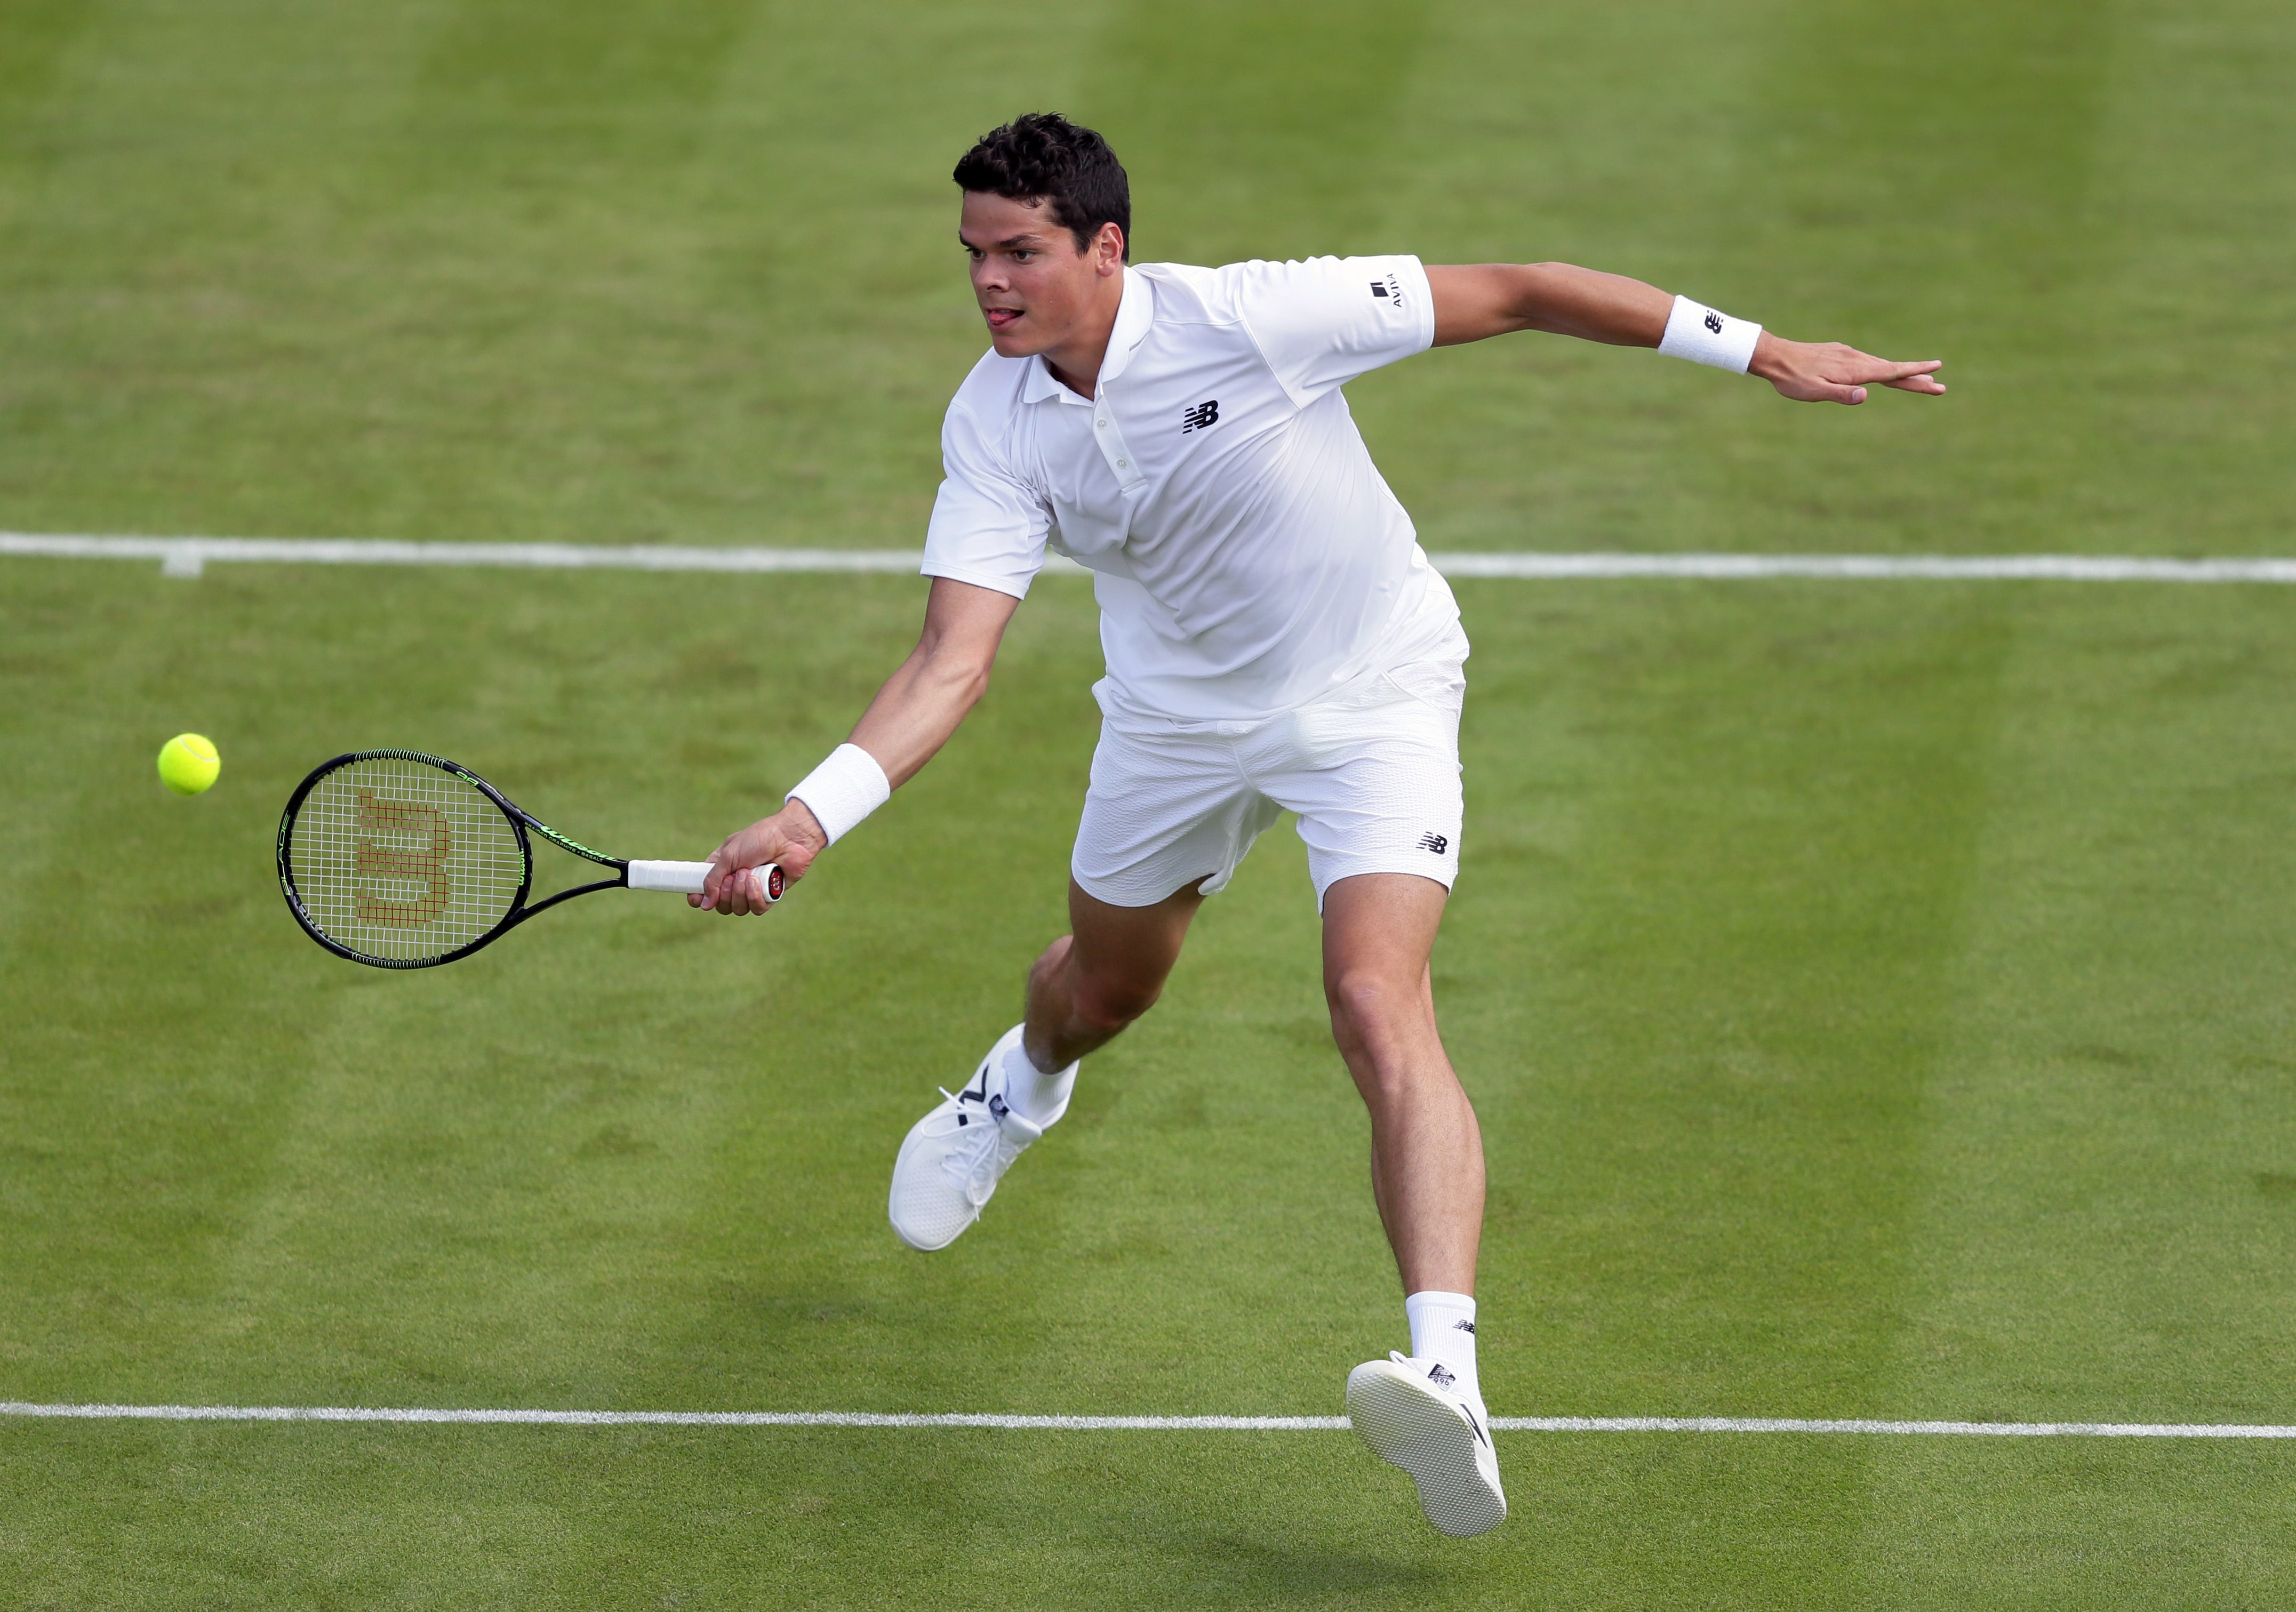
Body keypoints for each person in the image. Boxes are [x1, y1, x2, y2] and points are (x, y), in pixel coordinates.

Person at [693, 111, 1944, 1537]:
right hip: (1173, 727)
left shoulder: (1253, 316)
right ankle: (1021, 1080)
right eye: (974, 253)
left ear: (1106, 250)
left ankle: (1447, 1372)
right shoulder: (993, 422)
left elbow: (1525, 286)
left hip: (1375, 694)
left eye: (1019, 251)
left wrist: (1762, 348)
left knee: (1373, 995)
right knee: (1105, 991)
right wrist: (811, 812)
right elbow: (951, 660)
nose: (987, 280)